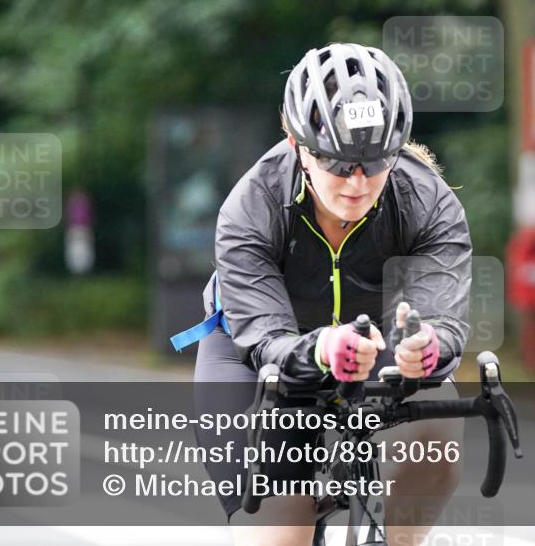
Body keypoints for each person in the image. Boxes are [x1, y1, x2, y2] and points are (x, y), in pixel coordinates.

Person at [187, 43, 472, 545]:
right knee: (281, 536)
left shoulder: (426, 199)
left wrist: (428, 346)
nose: (358, 183)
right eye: (339, 164)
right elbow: (266, 340)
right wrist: (320, 347)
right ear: (297, 146)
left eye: (376, 161)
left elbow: (445, 321)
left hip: (371, 350)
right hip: (254, 359)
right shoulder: (251, 208)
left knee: (441, 425)